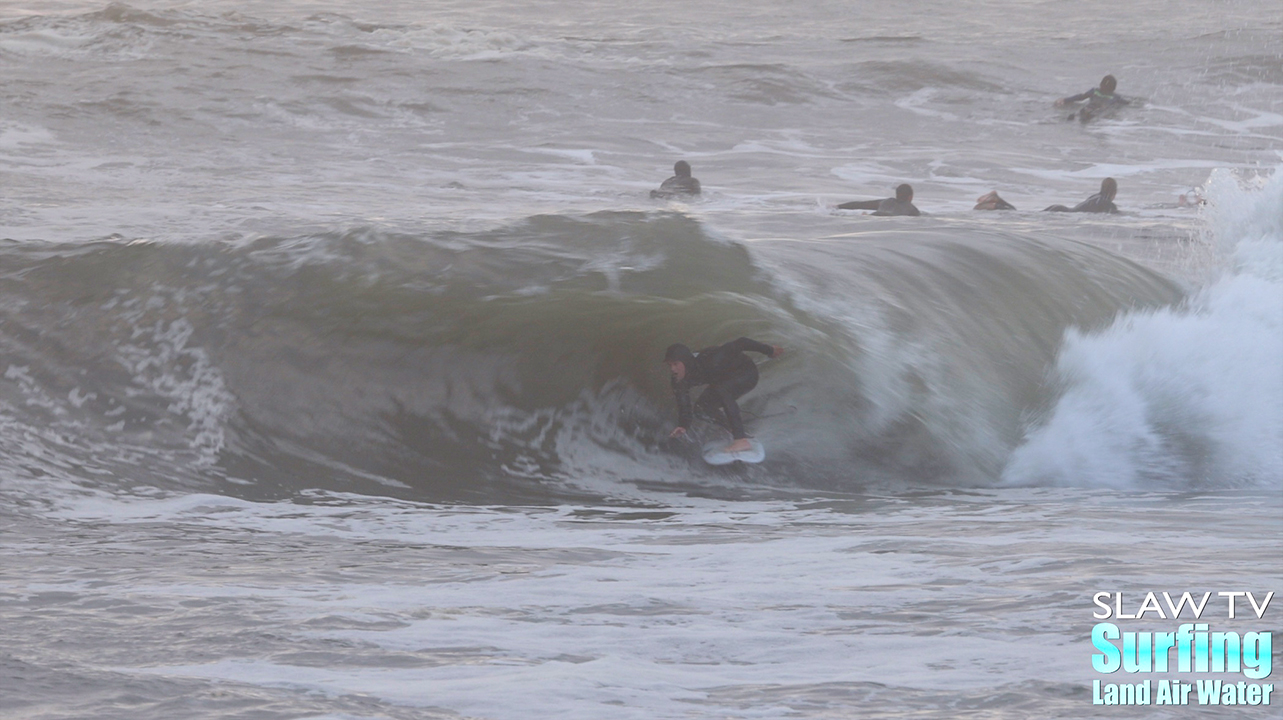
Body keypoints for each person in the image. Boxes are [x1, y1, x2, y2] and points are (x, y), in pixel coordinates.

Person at [664, 338, 783, 454]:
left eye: (676, 364)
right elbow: (684, 406)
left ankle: (740, 439)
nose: (673, 369)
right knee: (701, 409)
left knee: (721, 389)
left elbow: (741, 343)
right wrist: (683, 425)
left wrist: (769, 350)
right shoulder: (678, 380)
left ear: (685, 362)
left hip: (746, 373)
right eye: (670, 365)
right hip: (722, 379)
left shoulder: (710, 359)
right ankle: (735, 430)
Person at [1055, 74, 1129, 123]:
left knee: (1079, 114)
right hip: (1099, 110)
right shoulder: (1115, 97)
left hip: (1088, 107)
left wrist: (1065, 100)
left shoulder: (1095, 91)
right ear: (1114, 88)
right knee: (1092, 116)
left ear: (1101, 84)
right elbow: (1126, 103)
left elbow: (1081, 97)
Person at [837, 183, 920, 216]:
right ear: (910, 197)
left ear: (897, 194)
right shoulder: (912, 209)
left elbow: (860, 204)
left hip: (876, 215)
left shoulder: (886, 202)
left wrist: (838, 206)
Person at [1044, 177, 1119, 213]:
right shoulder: (1108, 204)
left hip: (1059, 208)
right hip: (1063, 212)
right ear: (1114, 192)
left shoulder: (1093, 197)